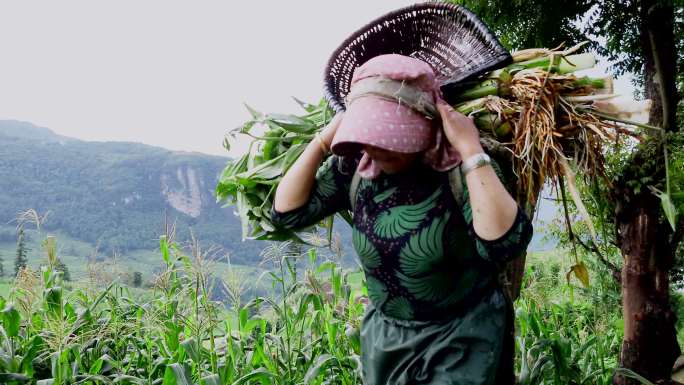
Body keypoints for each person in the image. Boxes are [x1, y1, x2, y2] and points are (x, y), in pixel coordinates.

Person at [271, 54, 533, 385]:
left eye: (391, 136)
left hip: (461, 338)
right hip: (387, 341)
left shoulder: (461, 169)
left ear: (427, 123)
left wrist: (468, 149)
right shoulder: (358, 168)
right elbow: (287, 213)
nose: (378, 149)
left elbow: (503, 245)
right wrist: (324, 140)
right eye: (370, 133)